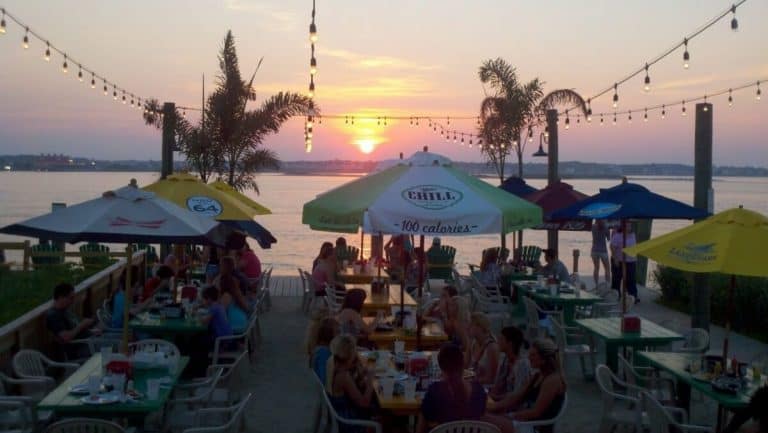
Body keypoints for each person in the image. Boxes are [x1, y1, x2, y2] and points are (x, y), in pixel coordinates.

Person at [484, 338, 567, 433]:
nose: (529, 357)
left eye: (533, 355)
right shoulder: (537, 376)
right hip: (523, 421)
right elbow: (516, 397)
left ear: (544, 359)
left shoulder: (552, 380)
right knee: (485, 415)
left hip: (534, 427)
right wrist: (494, 405)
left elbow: (535, 412)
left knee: (486, 421)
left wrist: (509, 415)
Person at [416, 343, 487, 432]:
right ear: (463, 364)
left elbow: (421, 429)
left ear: (441, 367)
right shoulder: (479, 391)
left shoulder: (434, 392)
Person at [326, 335, 376, 430]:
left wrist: (361, 374)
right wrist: (370, 381)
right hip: (348, 419)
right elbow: (364, 403)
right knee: (381, 411)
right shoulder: (343, 376)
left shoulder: (332, 363)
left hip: (342, 412)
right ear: (350, 354)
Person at [46, 283, 101, 360]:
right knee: (114, 346)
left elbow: (75, 329)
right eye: (71, 298)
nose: (73, 301)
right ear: (61, 298)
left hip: (90, 340)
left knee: (113, 339)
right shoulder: (54, 315)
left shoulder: (65, 311)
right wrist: (82, 325)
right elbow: (66, 337)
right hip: (81, 348)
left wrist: (91, 331)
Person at [189, 285, 234, 377]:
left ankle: (199, 369)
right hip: (226, 337)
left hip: (221, 340)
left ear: (209, 299)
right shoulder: (218, 306)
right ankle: (198, 367)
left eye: (204, 299)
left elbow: (204, 321)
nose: (203, 301)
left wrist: (195, 313)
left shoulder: (214, 308)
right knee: (197, 338)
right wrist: (200, 307)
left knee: (195, 342)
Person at [487, 326, 532, 413]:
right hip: (501, 403)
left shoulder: (522, 365)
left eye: (501, 339)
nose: (498, 342)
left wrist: (494, 400)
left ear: (510, 343)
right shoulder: (505, 360)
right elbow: (497, 386)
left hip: (514, 410)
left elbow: (516, 397)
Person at [464, 312, 500, 385]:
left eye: (471, 325)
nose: (467, 327)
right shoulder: (472, 343)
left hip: (485, 386)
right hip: (472, 382)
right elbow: (465, 366)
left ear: (480, 327)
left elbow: (490, 379)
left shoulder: (491, 347)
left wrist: (469, 381)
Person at [305, 311, 339, 385]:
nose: (340, 336)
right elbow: (323, 380)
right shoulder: (324, 353)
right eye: (338, 332)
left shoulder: (319, 349)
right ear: (329, 335)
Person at [610, 223, 638, 302]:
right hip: (619, 260)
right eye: (627, 226)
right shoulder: (617, 236)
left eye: (630, 226)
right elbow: (612, 247)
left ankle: (633, 297)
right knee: (617, 279)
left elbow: (634, 247)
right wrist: (615, 258)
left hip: (631, 261)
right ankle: (616, 295)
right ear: (623, 227)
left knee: (631, 279)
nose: (629, 228)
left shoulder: (633, 235)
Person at [591, 219, 611, 289]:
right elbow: (609, 239)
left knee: (596, 268)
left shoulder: (593, 227)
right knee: (607, 268)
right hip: (603, 251)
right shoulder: (605, 228)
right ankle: (607, 285)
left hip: (594, 250)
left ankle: (596, 284)